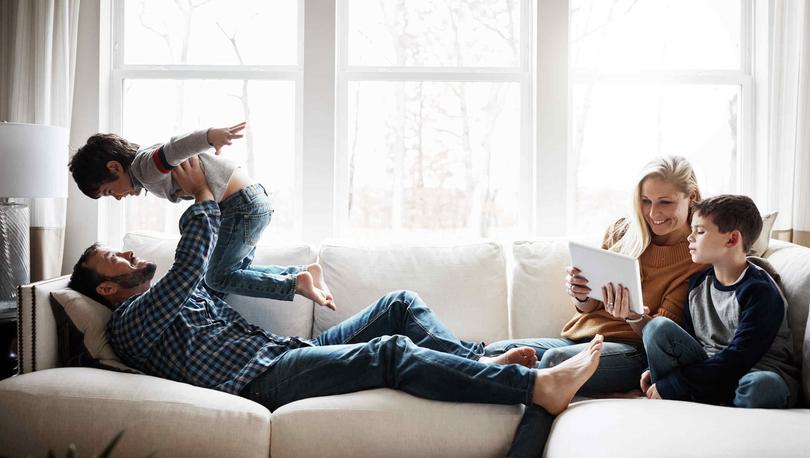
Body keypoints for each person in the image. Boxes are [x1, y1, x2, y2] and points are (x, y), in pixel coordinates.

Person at [68, 157, 606, 420]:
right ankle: (533, 387)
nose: (133, 254)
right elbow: (190, 268)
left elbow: (208, 274)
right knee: (389, 353)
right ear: (109, 291)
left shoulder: (171, 297)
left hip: (286, 354)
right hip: (261, 381)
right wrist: (204, 197)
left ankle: (478, 364)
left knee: (398, 306)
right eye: (117, 257)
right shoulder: (130, 323)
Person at [485, 156, 708, 457]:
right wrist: (580, 293)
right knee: (496, 351)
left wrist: (632, 316)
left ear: (691, 197)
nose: (653, 213)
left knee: (554, 362)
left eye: (665, 202)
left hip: (632, 352)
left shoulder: (697, 255)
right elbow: (590, 306)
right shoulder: (623, 231)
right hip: (582, 339)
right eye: (645, 201)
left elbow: (662, 336)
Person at [68, 122, 335, 309]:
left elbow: (174, 148)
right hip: (248, 202)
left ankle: (295, 283)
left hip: (239, 206)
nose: (116, 196)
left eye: (109, 191)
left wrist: (209, 136)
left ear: (115, 167)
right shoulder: (144, 169)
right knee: (231, 273)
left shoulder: (145, 167)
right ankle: (303, 272)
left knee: (216, 278)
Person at [640, 194, 800, 408]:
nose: (690, 237)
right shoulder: (698, 284)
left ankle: (702, 400)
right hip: (709, 370)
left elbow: (740, 357)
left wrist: (676, 382)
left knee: (760, 386)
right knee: (656, 328)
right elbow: (688, 339)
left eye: (700, 231)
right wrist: (654, 369)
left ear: (732, 239)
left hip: (753, 370)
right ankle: (699, 397)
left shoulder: (760, 291)